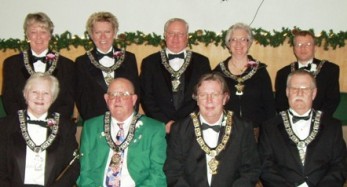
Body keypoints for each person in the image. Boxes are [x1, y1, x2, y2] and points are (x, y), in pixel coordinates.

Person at [164, 73, 261, 187]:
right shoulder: (180, 129)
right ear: (196, 99)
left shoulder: (243, 128)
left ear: (225, 98)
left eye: (215, 94)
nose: (209, 100)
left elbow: (250, 170)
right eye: (203, 95)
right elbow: (173, 172)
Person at [259, 70, 347, 186]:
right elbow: (265, 168)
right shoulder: (269, 127)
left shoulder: (332, 126)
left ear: (314, 93)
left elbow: (340, 165)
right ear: (287, 92)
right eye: (294, 89)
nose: (299, 93)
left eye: (305, 89)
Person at [77, 77, 167, 186]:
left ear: (133, 100)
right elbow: (84, 172)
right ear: (106, 99)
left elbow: (158, 175)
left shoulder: (154, 129)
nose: (117, 99)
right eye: (113, 95)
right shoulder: (91, 127)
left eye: (123, 94)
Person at [0, 73, 80, 186]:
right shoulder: (5, 126)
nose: (40, 97)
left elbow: (72, 167)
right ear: (25, 94)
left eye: (46, 93)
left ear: (53, 97)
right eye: (34, 92)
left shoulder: (65, 127)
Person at [140, 18, 211, 133]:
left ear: (187, 37)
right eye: (171, 33)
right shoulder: (150, 62)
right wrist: (164, 122)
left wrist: (189, 122)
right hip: (160, 127)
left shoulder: (202, 62)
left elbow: (206, 95)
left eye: (180, 34)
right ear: (165, 36)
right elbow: (146, 97)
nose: (175, 38)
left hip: (193, 127)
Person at [2, 12, 75, 118]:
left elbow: (67, 103)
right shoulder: (11, 64)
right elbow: (9, 100)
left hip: (57, 127)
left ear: (50, 35)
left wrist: (49, 123)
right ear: (27, 35)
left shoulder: (67, 65)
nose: (38, 37)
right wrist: (27, 121)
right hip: (19, 126)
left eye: (43, 32)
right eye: (33, 32)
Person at [213, 22, 276, 140]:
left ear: (249, 42)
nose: (238, 44)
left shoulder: (260, 70)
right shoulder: (218, 72)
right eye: (233, 39)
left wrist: (270, 135)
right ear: (228, 44)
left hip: (257, 134)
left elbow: (269, 106)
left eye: (243, 39)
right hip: (226, 133)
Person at [75, 11, 140, 121]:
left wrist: (128, 119)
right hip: (95, 121)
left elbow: (135, 92)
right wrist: (94, 123)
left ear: (114, 33)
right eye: (98, 32)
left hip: (126, 120)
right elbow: (82, 99)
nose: (103, 37)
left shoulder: (129, 59)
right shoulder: (82, 62)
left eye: (107, 32)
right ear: (91, 35)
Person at [275, 30, 340, 117]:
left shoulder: (330, 70)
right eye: (299, 45)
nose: (303, 48)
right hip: (291, 122)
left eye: (308, 44)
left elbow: (332, 100)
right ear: (294, 49)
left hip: (321, 123)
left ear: (315, 47)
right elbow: (280, 103)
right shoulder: (283, 73)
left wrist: (316, 120)